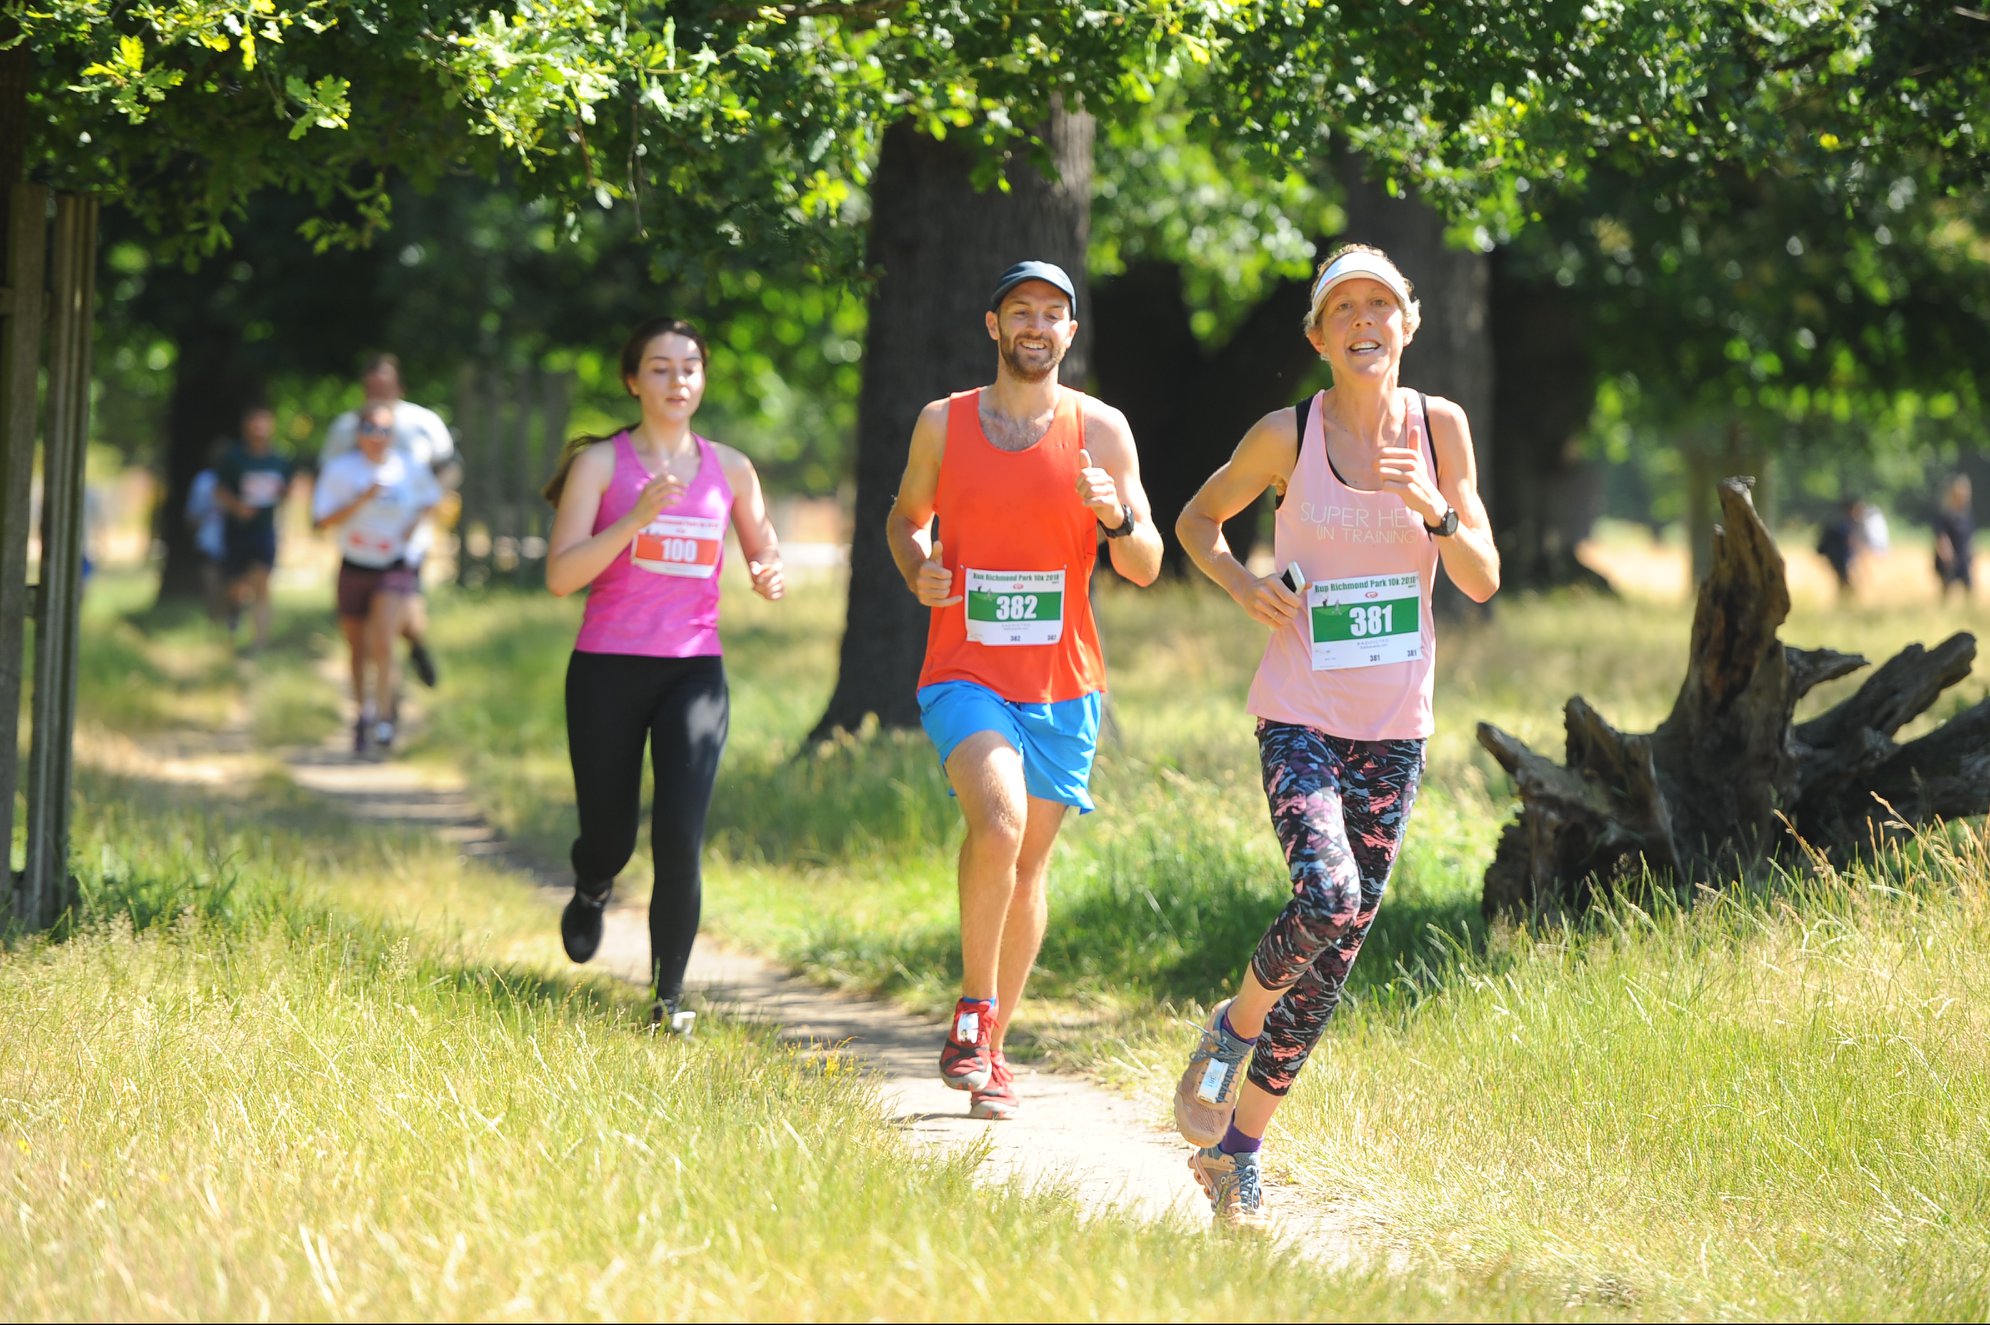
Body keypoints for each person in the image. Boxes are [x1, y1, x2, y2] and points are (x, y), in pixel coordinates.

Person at [1169, 243, 1499, 1227]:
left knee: (1339, 948)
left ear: (1408, 323)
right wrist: (1243, 584)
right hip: (1301, 712)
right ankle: (1229, 1027)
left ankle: (1238, 1153)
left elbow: (1480, 576)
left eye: (1381, 304)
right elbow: (1197, 519)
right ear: (1318, 335)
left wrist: (1429, 506)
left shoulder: (1441, 430)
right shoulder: (1286, 434)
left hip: (1396, 727)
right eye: (1343, 307)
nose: (1364, 319)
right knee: (1327, 892)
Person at [887, 260, 1163, 1121]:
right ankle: (974, 1009)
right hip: (965, 667)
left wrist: (1117, 513)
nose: (1036, 326)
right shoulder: (944, 422)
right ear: (994, 325)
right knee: (997, 821)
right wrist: (920, 569)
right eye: (1021, 312)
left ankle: (992, 1049)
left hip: (1064, 682)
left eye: (1053, 313)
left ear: (1070, 333)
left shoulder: (1102, 430)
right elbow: (905, 518)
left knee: (1029, 862)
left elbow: (1146, 564)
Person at [543, 317, 785, 1034]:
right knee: (611, 836)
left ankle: (667, 1000)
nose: (677, 380)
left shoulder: (732, 468)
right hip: (607, 667)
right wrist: (634, 520)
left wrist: (769, 574)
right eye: (660, 367)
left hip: (693, 671)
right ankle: (592, 883)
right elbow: (561, 576)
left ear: (702, 379)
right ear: (633, 380)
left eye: (689, 367)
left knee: (680, 835)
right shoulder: (601, 466)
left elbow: (763, 551)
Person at [320, 353, 458, 687]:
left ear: (399, 384)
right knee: (373, 625)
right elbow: (331, 479)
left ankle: (408, 653)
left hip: (409, 539)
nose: (380, 389)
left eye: (387, 383)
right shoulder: (344, 428)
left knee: (397, 617)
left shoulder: (424, 422)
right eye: (373, 384)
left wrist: (428, 505)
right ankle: (386, 694)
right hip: (363, 538)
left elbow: (450, 469)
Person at [313, 402, 442, 754]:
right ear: (358, 434)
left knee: (383, 641)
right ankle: (362, 715)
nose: (376, 437)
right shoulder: (341, 470)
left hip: (395, 566)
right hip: (355, 564)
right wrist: (361, 500)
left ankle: (386, 718)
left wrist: (415, 528)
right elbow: (321, 521)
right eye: (369, 429)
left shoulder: (410, 468)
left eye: (384, 430)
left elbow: (432, 499)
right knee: (358, 648)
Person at [214, 404, 295, 653]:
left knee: (262, 583)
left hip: (265, 530)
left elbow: (288, 491)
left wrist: (283, 494)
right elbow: (219, 491)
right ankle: (233, 614)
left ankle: (259, 642)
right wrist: (238, 507)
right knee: (237, 586)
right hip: (238, 530)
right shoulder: (234, 457)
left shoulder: (280, 459)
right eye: (254, 422)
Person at [184, 443, 230, 624]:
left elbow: (192, 514)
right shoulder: (204, 481)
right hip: (210, 537)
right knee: (213, 579)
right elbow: (194, 513)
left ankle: (221, 618)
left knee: (221, 580)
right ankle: (217, 618)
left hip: (224, 537)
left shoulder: (203, 480)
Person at [1933, 474, 1974, 599]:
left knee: (1968, 585)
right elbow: (1942, 536)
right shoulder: (1946, 515)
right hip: (1949, 558)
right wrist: (1946, 554)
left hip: (1962, 557)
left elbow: (1969, 537)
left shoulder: (1966, 516)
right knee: (1947, 586)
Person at [1816, 498, 1862, 599]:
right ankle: (1846, 602)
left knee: (1844, 582)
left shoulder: (1843, 522)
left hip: (1840, 558)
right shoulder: (1840, 524)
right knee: (1845, 582)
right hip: (1839, 558)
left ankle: (1845, 602)